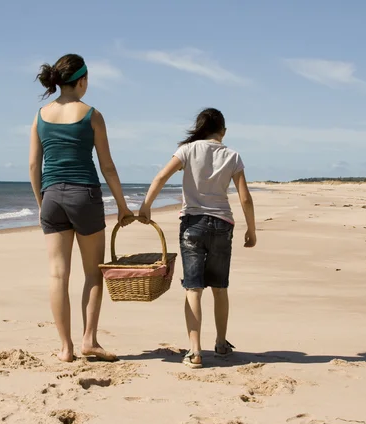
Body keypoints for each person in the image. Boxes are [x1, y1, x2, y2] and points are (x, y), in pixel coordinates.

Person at [29, 53, 134, 362]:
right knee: (93, 273)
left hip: (52, 197)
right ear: (83, 81)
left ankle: (66, 348)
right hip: (84, 196)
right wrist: (123, 206)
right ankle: (89, 340)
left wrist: (41, 203)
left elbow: (34, 165)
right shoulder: (92, 115)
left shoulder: (40, 116)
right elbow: (108, 167)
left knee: (57, 275)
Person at [139, 108, 256, 369]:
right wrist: (252, 229)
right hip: (223, 225)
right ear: (222, 131)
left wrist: (146, 206)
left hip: (192, 224)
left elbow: (161, 176)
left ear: (200, 127)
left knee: (193, 288)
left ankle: (194, 352)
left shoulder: (187, 151)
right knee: (220, 288)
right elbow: (245, 197)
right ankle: (222, 343)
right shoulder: (232, 156)